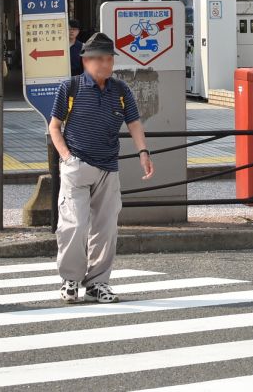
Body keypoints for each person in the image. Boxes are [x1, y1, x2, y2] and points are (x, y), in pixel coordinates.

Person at [49, 32, 154, 304]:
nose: (105, 64)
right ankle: (70, 280)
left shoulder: (120, 90)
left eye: (109, 59)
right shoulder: (70, 87)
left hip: (109, 167)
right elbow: (54, 126)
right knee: (74, 224)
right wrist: (66, 158)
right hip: (77, 165)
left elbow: (134, 123)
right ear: (85, 61)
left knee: (106, 229)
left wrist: (143, 151)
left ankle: (97, 283)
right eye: (98, 59)